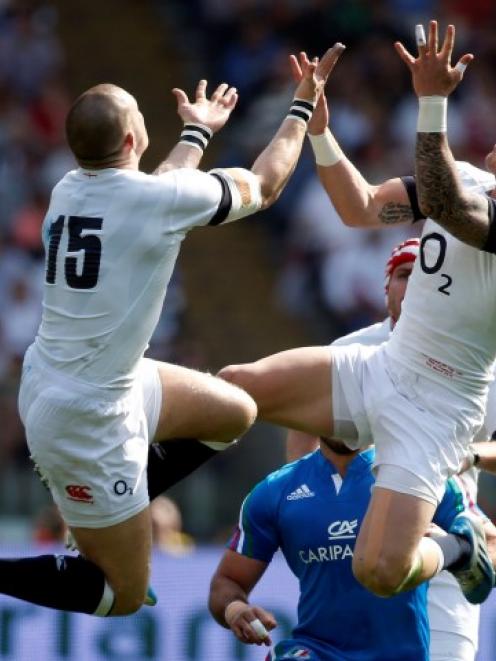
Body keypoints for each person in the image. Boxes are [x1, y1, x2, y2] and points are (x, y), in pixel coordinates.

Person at [7, 44, 345, 618]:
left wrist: (195, 134)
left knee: (233, 411)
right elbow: (263, 186)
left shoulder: (69, 189)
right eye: (141, 118)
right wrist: (299, 108)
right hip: (87, 416)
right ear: (135, 141)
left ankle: (122, 503)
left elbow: (159, 189)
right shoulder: (151, 199)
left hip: (86, 378)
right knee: (123, 595)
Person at [218, 21, 496, 606]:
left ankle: (459, 548)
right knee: (232, 391)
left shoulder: (465, 195)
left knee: (378, 570)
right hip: (385, 366)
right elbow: (360, 207)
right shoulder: (469, 177)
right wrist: (321, 134)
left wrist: (430, 102)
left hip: (439, 405)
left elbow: (448, 203)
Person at [287, 237, 492, 661]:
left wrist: (469, 454)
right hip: (350, 546)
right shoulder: (347, 352)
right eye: (404, 274)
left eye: (428, 276)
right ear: (386, 289)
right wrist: (315, 510)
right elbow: (301, 434)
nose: (416, 284)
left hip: (444, 547)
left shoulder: (482, 358)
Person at [209, 436, 489, 661]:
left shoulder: (418, 478)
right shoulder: (275, 491)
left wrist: (447, 548)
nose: (343, 415)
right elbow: (228, 582)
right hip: (316, 650)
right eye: (333, 403)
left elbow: (488, 542)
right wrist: (234, 609)